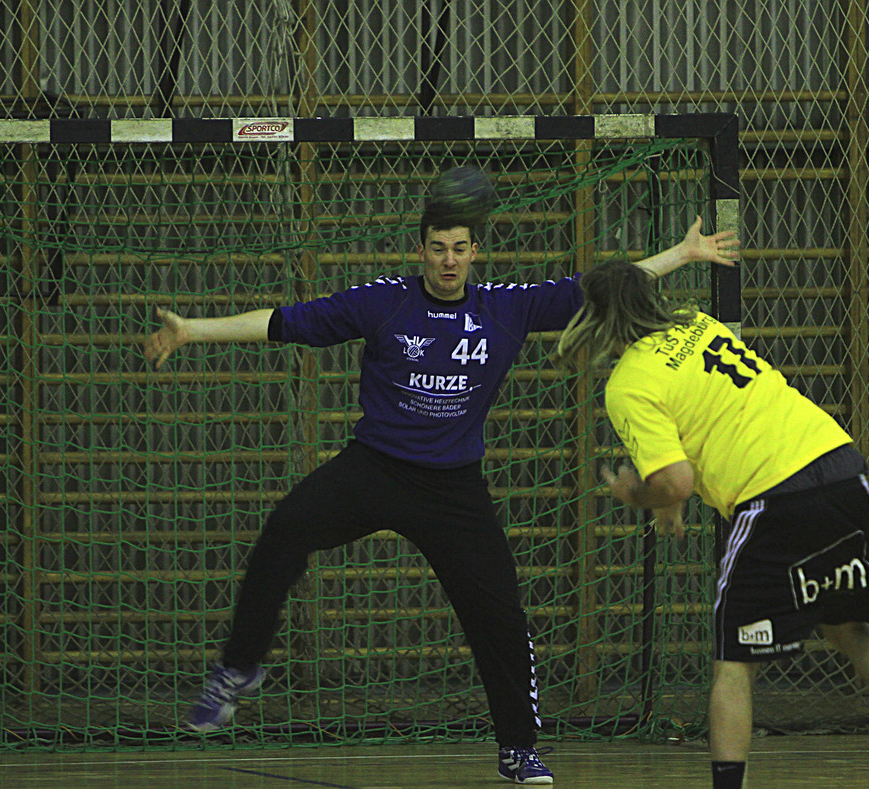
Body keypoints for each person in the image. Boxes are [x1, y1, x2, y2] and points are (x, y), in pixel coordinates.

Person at [144, 190, 739, 784]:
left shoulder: (505, 307)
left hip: (454, 489)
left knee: (500, 617)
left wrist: (682, 254)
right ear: (421, 251)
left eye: (458, 249)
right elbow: (284, 323)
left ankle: (519, 748)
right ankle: (238, 669)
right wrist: (192, 330)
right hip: (375, 469)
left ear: (475, 252)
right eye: (437, 249)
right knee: (284, 530)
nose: (448, 260)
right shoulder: (383, 301)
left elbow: (604, 288)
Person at [553, 259, 869, 789]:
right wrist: (670, 495)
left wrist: (637, 493)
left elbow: (674, 480)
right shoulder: (698, 324)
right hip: (840, 469)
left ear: (598, 315)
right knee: (848, 623)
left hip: (775, 498)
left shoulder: (628, 382)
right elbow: (701, 426)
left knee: (734, 662)